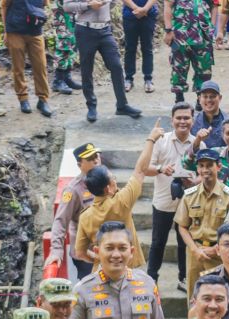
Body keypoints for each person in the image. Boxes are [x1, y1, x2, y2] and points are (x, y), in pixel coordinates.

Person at [74, 123, 165, 269]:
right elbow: (140, 170)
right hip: (128, 269)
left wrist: (103, 259)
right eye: (113, 179)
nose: (116, 181)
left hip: (102, 272)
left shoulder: (86, 216)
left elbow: (80, 253)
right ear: (108, 188)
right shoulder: (121, 202)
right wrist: (151, 139)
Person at [66, 0, 143, 122]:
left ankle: (122, 105)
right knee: (87, 69)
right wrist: (89, 5)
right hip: (84, 30)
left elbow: (112, 3)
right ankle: (91, 106)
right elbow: (67, 6)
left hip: (105, 30)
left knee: (116, 66)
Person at [145, 103, 196, 288]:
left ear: (193, 119)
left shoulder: (199, 143)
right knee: (158, 242)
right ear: (172, 120)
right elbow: (145, 168)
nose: (183, 121)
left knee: (184, 243)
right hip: (163, 202)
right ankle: (151, 280)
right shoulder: (161, 140)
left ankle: (183, 278)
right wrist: (161, 169)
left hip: (188, 202)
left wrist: (193, 182)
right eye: (179, 118)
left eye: (186, 118)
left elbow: (204, 175)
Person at [176, 149, 229, 299]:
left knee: (218, 296)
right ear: (197, 169)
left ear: (219, 167)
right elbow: (182, 226)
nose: (205, 170)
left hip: (219, 255)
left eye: (209, 165)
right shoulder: (190, 195)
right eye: (201, 166)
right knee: (194, 297)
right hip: (195, 253)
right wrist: (195, 250)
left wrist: (216, 249)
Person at [49, 143, 102, 278]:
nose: (96, 160)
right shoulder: (73, 190)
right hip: (85, 252)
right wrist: (56, 250)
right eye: (90, 159)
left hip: (105, 248)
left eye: (96, 156)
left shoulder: (106, 180)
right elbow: (61, 221)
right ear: (80, 165)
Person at [3, 0, 53, 117]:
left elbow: (45, 4)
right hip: (15, 31)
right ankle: (23, 98)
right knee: (18, 67)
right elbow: (4, 6)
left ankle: (43, 99)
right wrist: (6, 31)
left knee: (40, 66)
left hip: (35, 31)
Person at [164, 0, 215, 103]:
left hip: (203, 36)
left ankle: (201, 99)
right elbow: (168, 5)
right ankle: (179, 99)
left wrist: (212, 28)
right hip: (180, 36)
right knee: (179, 68)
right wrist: (168, 30)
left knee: (204, 69)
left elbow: (214, 6)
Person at [183, 118, 229, 193]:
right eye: (228, 133)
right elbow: (186, 164)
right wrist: (198, 140)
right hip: (214, 202)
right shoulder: (214, 154)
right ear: (222, 135)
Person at [122, 0, 159, 93]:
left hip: (148, 15)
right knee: (130, 48)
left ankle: (148, 79)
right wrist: (136, 8)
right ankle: (128, 79)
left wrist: (145, 9)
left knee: (147, 48)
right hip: (130, 15)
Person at [50, 0, 83, 96]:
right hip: (61, 13)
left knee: (72, 45)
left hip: (71, 14)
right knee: (63, 46)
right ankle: (58, 81)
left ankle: (67, 78)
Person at [189, 81, 229, 150]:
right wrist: (197, 140)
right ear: (199, 99)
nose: (209, 100)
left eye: (212, 96)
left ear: (220, 98)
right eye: (205, 96)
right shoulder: (192, 122)